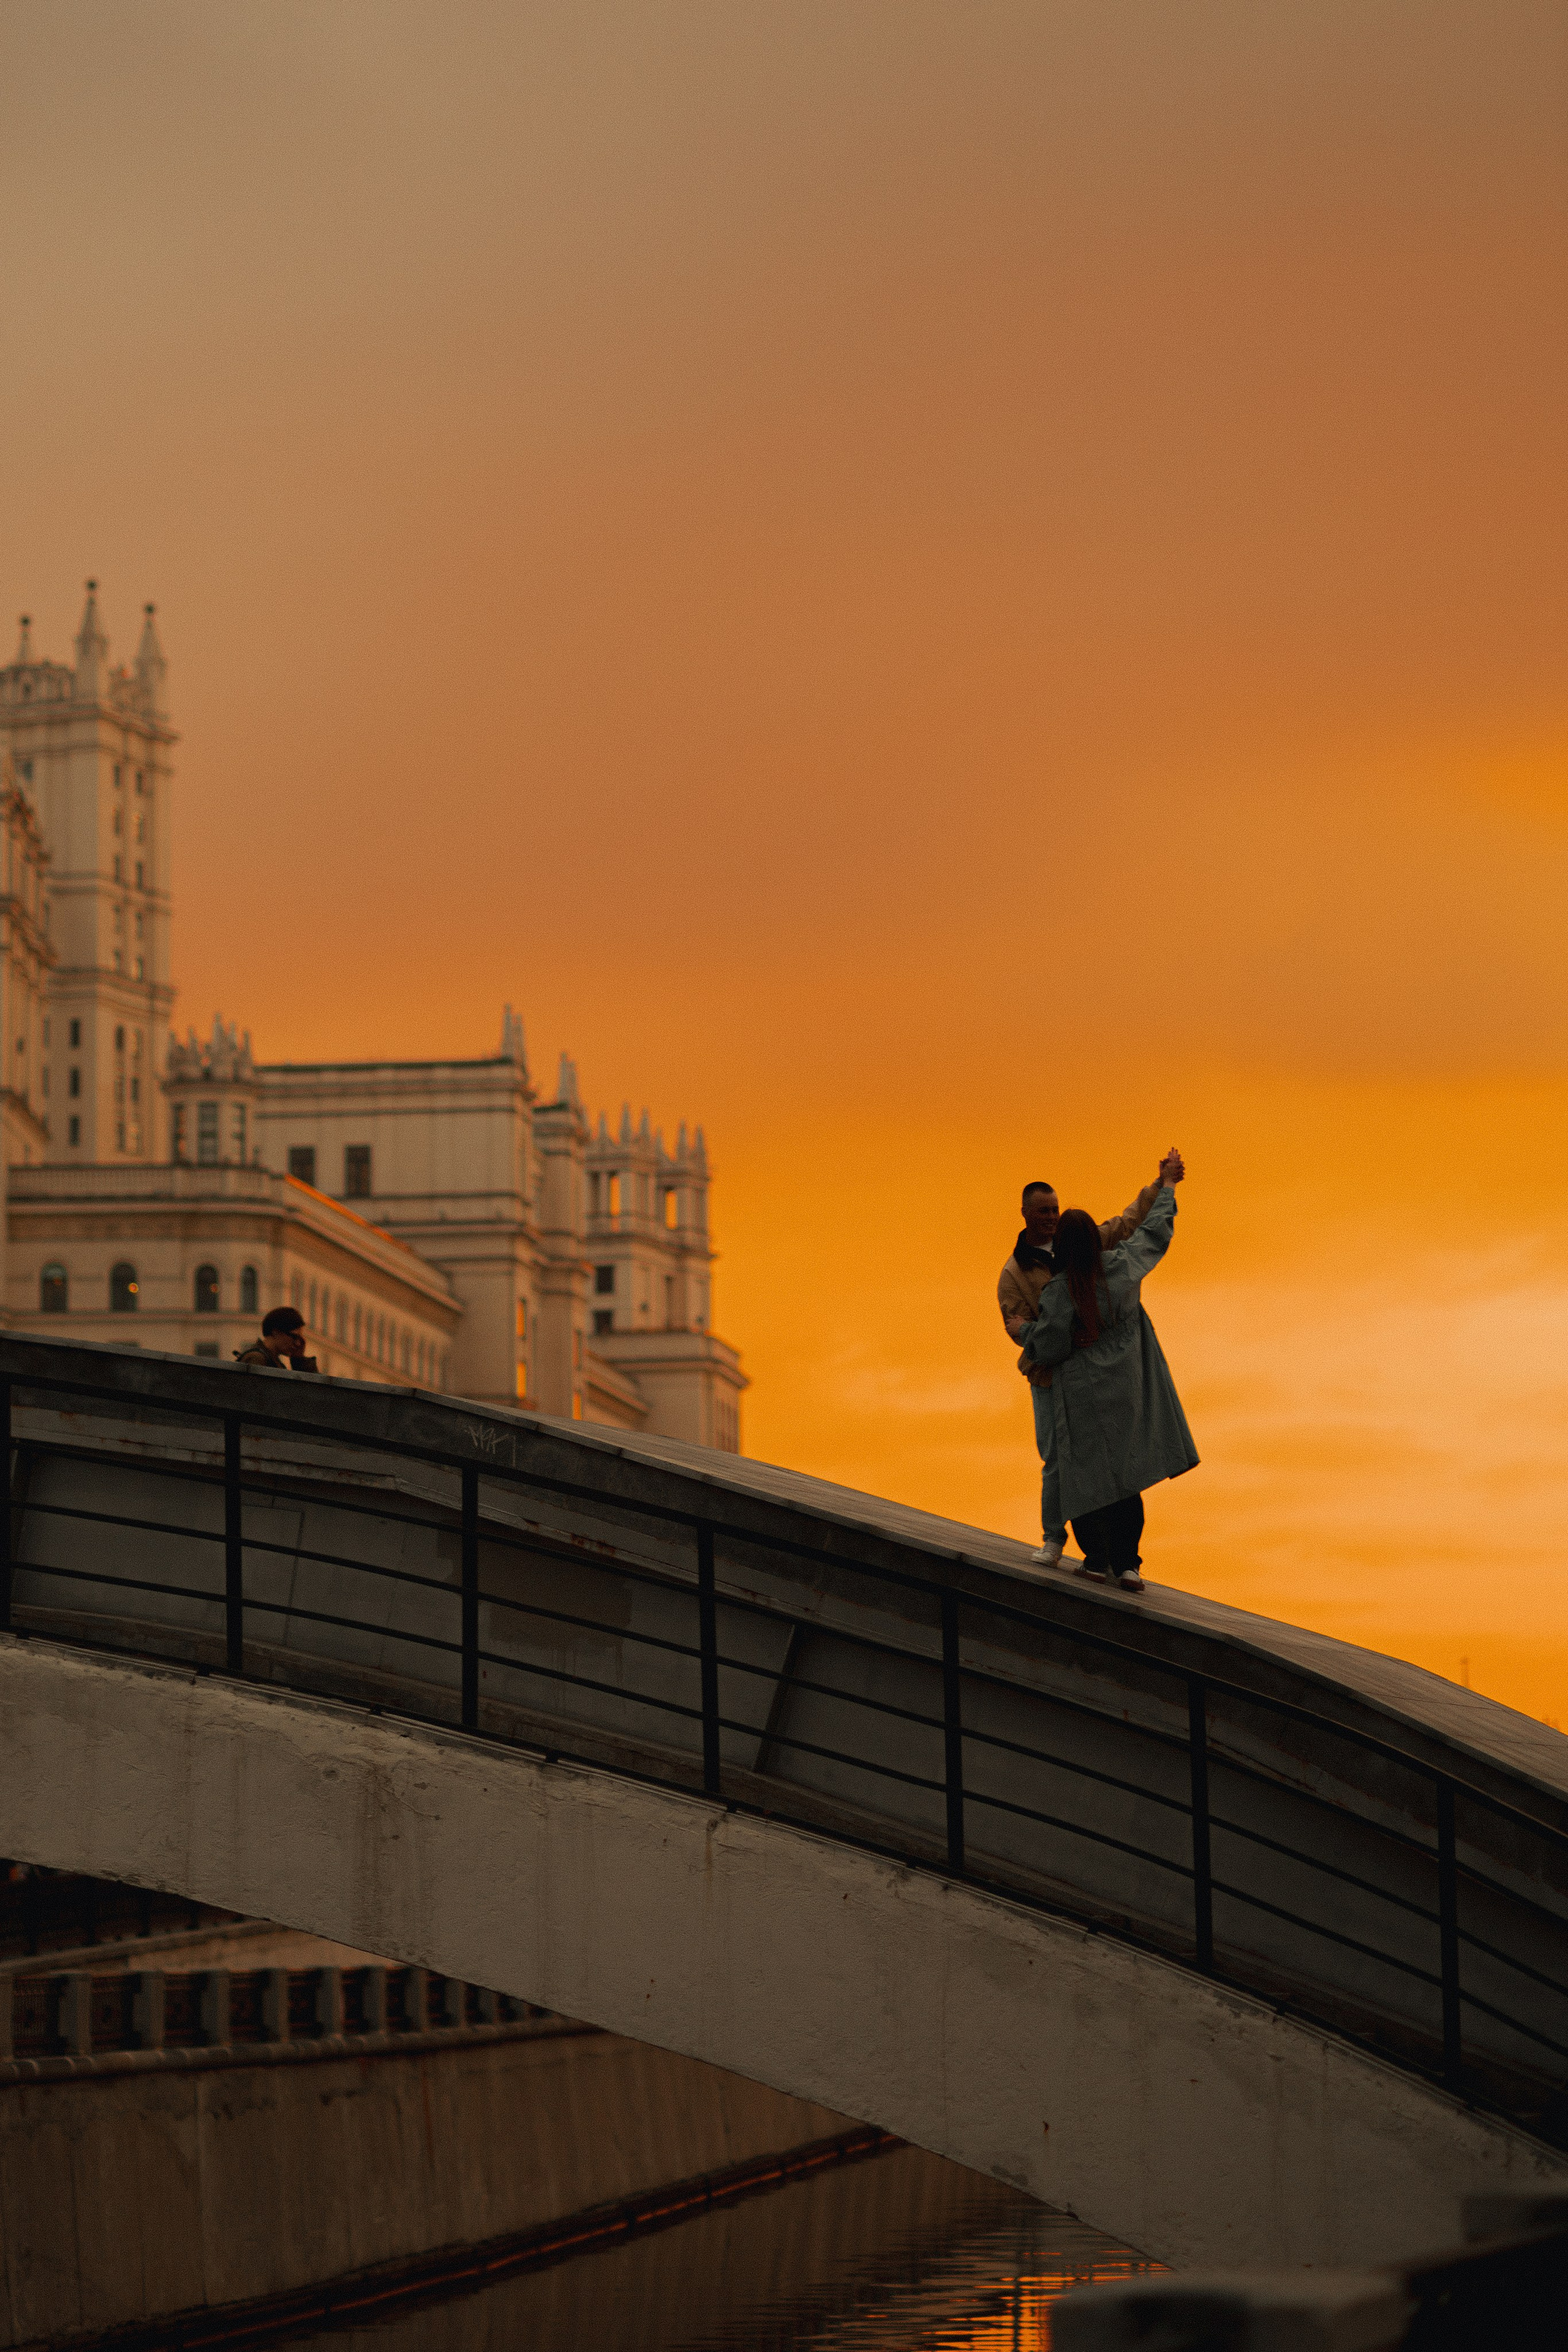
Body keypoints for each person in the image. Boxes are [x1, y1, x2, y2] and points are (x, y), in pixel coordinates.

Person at [998, 1151, 1183, 1567]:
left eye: (1055, 1211)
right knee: (1090, 1466)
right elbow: (1149, 1232)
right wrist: (1168, 1188)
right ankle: (1119, 1561)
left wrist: (1025, 1332)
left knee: (1083, 1467)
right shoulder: (1114, 1267)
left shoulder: (1064, 1287)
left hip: (1080, 1385)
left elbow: (1047, 1340)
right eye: (1043, 1211)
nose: (1049, 1217)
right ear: (1026, 1213)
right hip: (1075, 1382)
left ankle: (1099, 1560)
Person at [234, 1304, 319, 1373]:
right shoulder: (257, 1358)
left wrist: (299, 1359)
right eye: (294, 1337)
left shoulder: (272, 1361)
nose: (297, 1343)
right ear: (276, 1332)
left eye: (299, 1339)